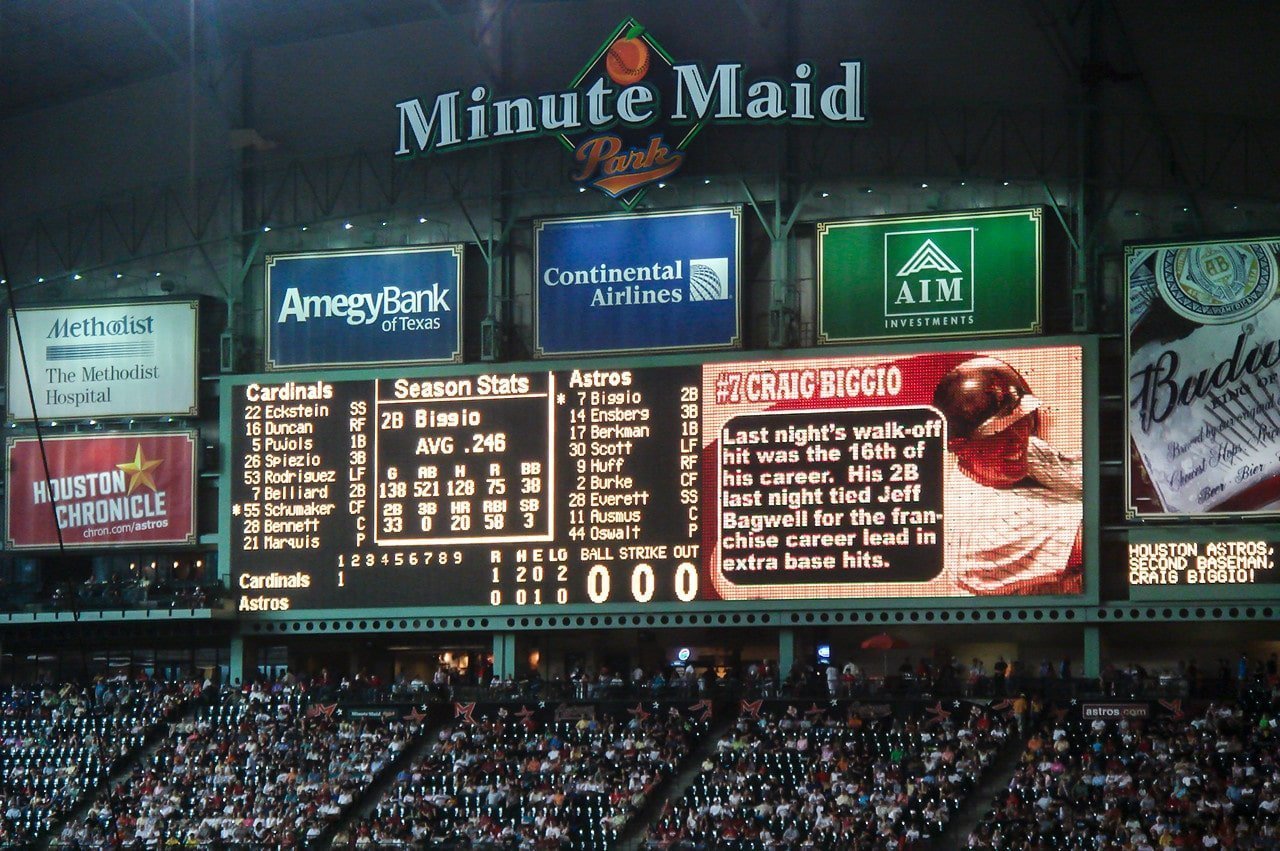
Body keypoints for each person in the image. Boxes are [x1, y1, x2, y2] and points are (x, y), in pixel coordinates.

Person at [932, 356, 1083, 595]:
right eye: (997, 432)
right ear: (959, 445)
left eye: (1021, 421)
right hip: (1014, 631)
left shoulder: (1013, 457)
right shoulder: (972, 522)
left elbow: (1087, 476)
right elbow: (1095, 537)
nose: (1017, 439)